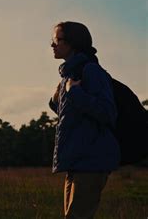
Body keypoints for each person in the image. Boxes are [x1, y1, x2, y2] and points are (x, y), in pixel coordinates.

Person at [49, 21, 120, 219]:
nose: (52, 45)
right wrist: (57, 100)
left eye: (57, 39)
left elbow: (107, 112)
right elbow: (74, 117)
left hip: (92, 160)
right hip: (76, 161)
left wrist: (75, 93)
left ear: (72, 42)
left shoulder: (91, 71)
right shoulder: (69, 75)